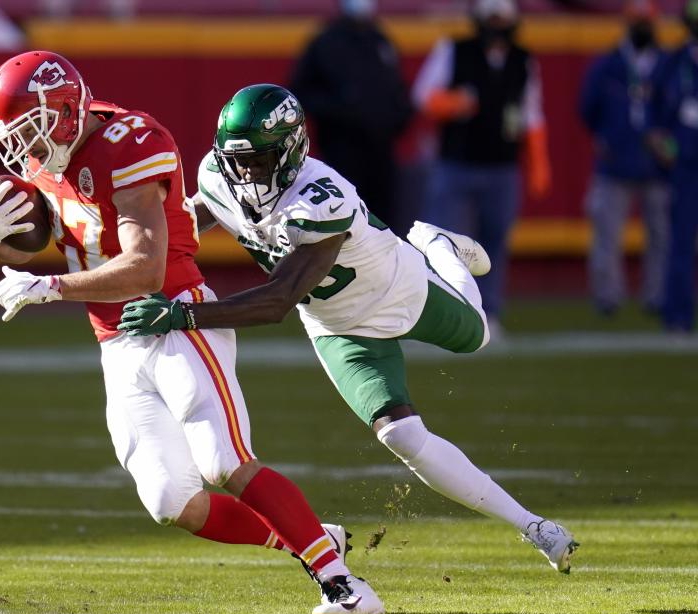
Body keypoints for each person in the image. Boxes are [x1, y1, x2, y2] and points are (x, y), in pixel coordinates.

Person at [0, 51, 383, 614]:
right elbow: (48, 235)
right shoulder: (52, 150)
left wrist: (50, 288)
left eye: (33, 131)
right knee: (171, 500)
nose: (28, 150)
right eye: (17, 137)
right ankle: (313, 538)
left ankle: (342, 583)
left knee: (223, 461)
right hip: (114, 339)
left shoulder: (131, 143)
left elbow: (145, 266)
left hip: (173, 316)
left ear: (64, 113)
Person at [118, 84, 579, 574]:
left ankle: (440, 246)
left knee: (479, 334)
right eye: (241, 160)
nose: (248, 173)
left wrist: (185, 315)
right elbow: (187, 224)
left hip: (399, 291)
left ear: (293, 149)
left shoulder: (321, 199)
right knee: (400, 436)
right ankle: (533, 525)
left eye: (261, 159)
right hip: (338, 328)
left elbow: (277, 301)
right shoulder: (218, 175)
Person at [412, 0, 550, 339]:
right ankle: (435, 314)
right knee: (440, 242)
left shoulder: (522, 59)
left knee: (493, 244)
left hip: (502, 166)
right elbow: (423, 95)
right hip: (456, 164)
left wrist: (538, 162)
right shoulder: (454, 49)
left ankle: (488, 313)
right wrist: (452, 102)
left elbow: (531, 114)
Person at [289, 0, 411, 235]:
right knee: (344, 222)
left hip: (382, 153)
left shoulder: (380, 39)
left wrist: (397, 118)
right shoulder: (325, 42)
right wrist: (344, 111)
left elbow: (397, 90)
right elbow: (301, 93)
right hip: (342, 153)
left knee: (383, 226)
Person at [579, 0, 669, 317]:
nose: (642, 28)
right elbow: (587, 108)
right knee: (607, 233)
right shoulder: (608, 64)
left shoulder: (667, 64)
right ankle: (608, 297)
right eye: (637, 21)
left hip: (658, 165)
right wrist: (606, 136)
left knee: (661, 234)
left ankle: (657, 295)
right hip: (615, 162)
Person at [648, 0, 698, 333]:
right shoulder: (673, 61)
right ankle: (678, 316)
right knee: (680, 242)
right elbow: (653, 117)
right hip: (687, 167)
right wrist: (660, 143)